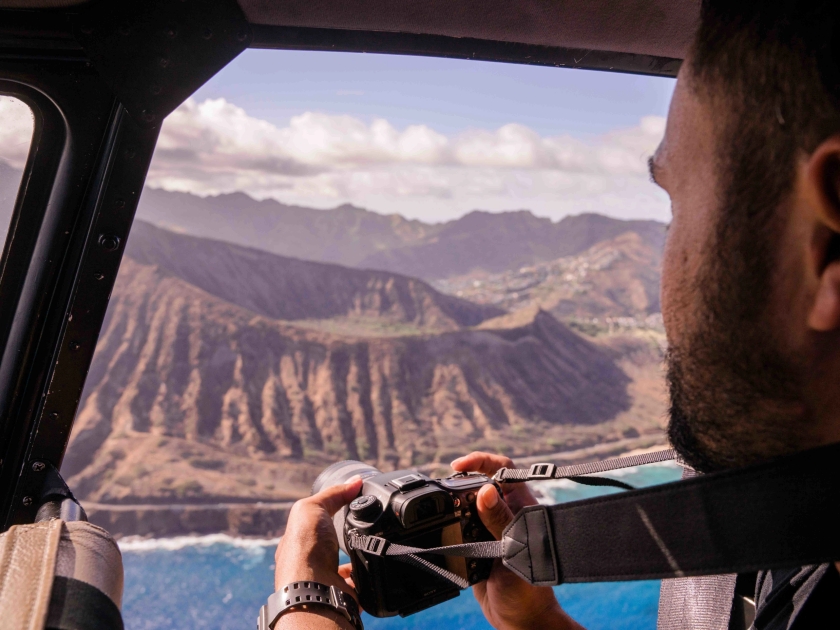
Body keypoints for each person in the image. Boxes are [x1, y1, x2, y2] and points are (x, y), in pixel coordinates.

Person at [270, 1, 840, 627]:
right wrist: (536, 621)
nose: (661, 270)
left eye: (677, 206)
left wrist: (304, 609)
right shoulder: (774, 521)